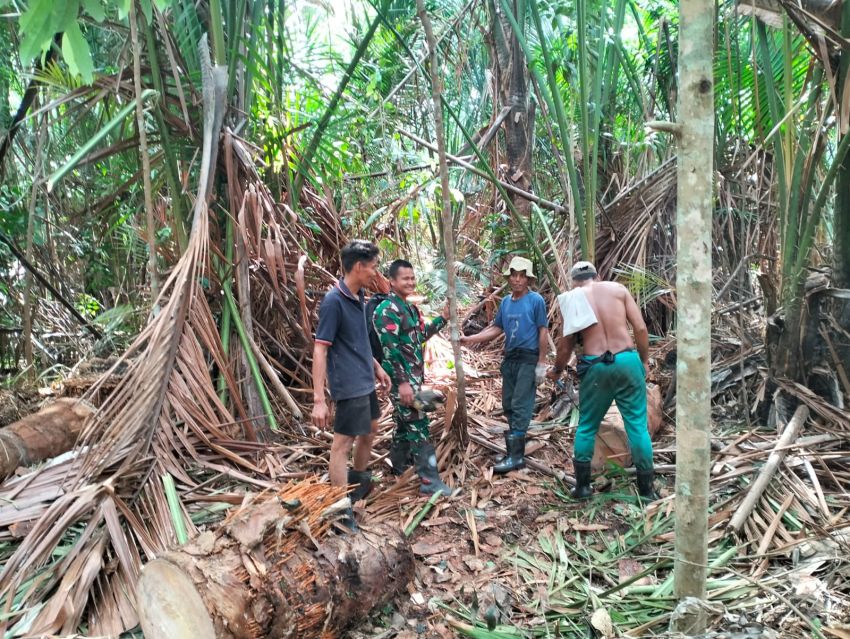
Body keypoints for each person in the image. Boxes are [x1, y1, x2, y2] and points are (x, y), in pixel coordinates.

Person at [548, 261, 657, 502]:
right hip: (627, 361)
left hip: (596, 367)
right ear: (597, 276)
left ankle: (584, 488)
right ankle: (647, 490)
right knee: (637, 427)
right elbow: (640, 328)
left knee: (587, 426)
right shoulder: (618, 289)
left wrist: (556, 370)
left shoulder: (573, 298)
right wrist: (644, 361)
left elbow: (566, 346)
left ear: (575, 281)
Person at [312, 240, 391, 530]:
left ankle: (358, 482)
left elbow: (360, 341)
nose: (375, 272)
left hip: (365, 380)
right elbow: (320, 349)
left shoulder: (359, 298)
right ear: (359, 266)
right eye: (372, 266)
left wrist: (377, 368)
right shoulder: (334, 301)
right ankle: (340, 509)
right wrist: (319, 399)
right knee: (341, 445)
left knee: (371, 430)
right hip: (348, 385)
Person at [460, 256, 549, 473]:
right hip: (510, 358)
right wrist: (469, 339)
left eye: (522, 276)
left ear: (528, 279)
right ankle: (513, 450)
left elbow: (543, 331)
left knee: (520, 403)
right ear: (509, 277)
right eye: (514, 276)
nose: (518, 280)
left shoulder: (536, 300)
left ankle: (516, 457)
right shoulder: (507, 302)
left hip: (528, 358)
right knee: (509, 403)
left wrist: (542, 363)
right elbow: (496, 328)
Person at [373, 259, 452, 495]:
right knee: (419, 424)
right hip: (401, 382)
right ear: (392, 281)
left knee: (403, 423)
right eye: (405, 278)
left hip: (413, 379)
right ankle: (429, 481)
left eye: (412, 277)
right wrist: (403, 383)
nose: (411, 282)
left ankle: (398, 464)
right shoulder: (386, 310)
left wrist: (443, 319)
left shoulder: (409, 308)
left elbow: (419, 337)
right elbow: (390, 349)